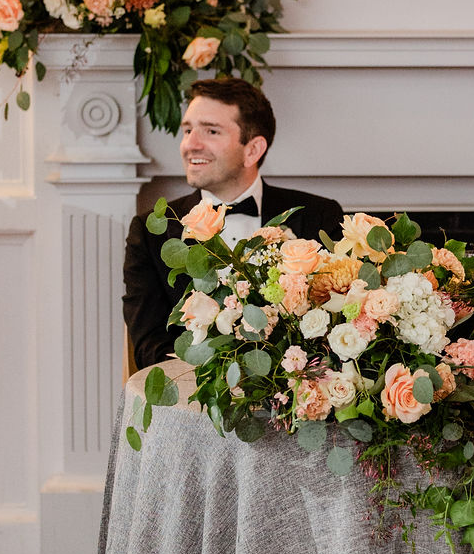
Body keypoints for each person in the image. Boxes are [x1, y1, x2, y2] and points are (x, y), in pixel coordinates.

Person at [123, 78, 343, 370]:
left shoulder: (319, 216)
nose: (190, 145)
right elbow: (150, 348)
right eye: (187, 130)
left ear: (253, 150)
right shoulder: (153, 231)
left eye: (211, 131)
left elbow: (339, 332)